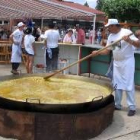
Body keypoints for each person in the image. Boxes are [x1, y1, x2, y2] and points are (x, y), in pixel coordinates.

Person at [92, 19, 140, 116]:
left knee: (128, 84)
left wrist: (129, 40)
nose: (108, 29)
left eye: (109, 27)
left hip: (127, 62)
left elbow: (138, 44)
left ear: (114, 26)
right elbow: (107, 51)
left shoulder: (126, 32)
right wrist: (97, 53)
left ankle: (132, 107)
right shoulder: (111, 36)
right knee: (117, 84)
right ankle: (118, 105)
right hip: (117, 63)